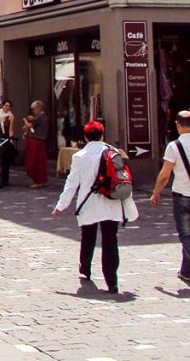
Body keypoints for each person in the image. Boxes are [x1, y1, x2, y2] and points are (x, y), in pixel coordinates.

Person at [52, 121, 139, 293]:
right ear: (102, 135)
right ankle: (112, 281)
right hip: (111, 201)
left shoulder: (79, 156)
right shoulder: (113, 152)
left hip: (88, 202)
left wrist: (61, 205)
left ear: (85, 137)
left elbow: (71, 184)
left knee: (88, 237)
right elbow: (123, 178)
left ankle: (85, 268)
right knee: (110, 240)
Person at [149, 110, 190, 284]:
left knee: (186, 235)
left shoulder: (174, 146)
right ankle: (186, 272)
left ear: (178, 125)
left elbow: (165, 175)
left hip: (182, 197)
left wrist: (156, 193)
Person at [23, 100, 49, 188]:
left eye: (33, 109)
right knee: (38, 161)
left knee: (36, 161)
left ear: (38, 108)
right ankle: (39, 180)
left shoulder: (41, 117)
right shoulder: (40, 117)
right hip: (37, 140)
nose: (33, 111)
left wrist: (25, 121)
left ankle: (38, 180)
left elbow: (29, 126)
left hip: (37, 140)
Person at [0, 100, 17, 187]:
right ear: (3, 106)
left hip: (5, 137)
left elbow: (11, 129)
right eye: (6, 106)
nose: (7, 108)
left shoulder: (11, 116)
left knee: (5, 159)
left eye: (9, 106)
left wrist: (11, 139)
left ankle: (5, 179)